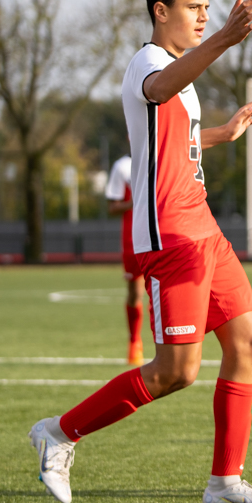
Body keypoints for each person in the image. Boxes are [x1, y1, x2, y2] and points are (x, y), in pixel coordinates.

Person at [29, 0, 252, 503]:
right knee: (176, 371)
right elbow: (160, 89)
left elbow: (172, 141)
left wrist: (223, 132)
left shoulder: (178, 73)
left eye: (208, 9)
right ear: (160, 10)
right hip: (171, 234)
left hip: (204, 227)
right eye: (193, 7)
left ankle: (225, 483)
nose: (203, 17)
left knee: (247, 344)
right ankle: (58, 433)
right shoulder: (149, 62)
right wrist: (226, 38)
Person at [104, 153, 145, 365]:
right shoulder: (122, 167)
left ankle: (167, 346)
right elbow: (112, 207)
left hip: (165, 234)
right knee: (135, 292)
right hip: (133, 239)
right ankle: (134, 341)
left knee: (164, 291)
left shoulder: (163, 155)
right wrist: (135, 202)